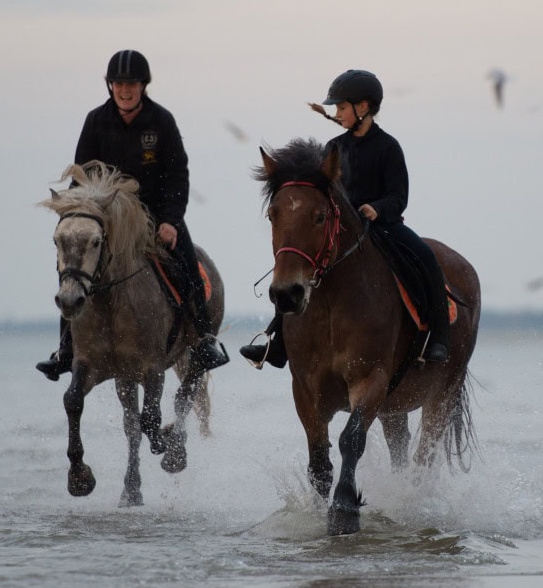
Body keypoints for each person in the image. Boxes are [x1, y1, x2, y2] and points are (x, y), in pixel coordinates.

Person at [37, 49, 229, 379]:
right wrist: (73, 214)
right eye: (118, 84)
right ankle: (65, 349)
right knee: (72, 267)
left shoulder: (162, 121)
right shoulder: (96, 121)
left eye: (132, 84)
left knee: (188, 268)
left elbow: (177, 174)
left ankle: (203, 341)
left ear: (143, 86)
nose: (125, 90)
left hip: (157, 217)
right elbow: (81, 175)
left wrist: (170, 220)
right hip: (108, 220)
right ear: (110, 86)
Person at [242, 68, 450, 369]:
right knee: (297, 267)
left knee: (427, 257)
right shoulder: (333, 148)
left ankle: (438, 336)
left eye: (341, 107)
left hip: (384, 226)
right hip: (341, 228)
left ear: (363, 108)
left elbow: (398, 196)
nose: (337, 113)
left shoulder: (388, 147)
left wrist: (376, 208)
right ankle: (278, 343)